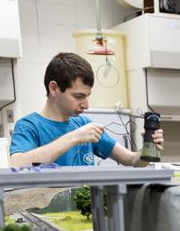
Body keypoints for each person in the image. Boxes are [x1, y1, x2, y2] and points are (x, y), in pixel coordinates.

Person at [9, 52, 163, 168]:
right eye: (78, 96)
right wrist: (74, 138)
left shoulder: (84, 124)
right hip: (44, 211)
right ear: (54, 88)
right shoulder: (29, 126)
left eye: (87, 96)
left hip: (86, 210)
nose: (86, 105)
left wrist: (148, 151)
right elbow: (18, 164)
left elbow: (131, 160)